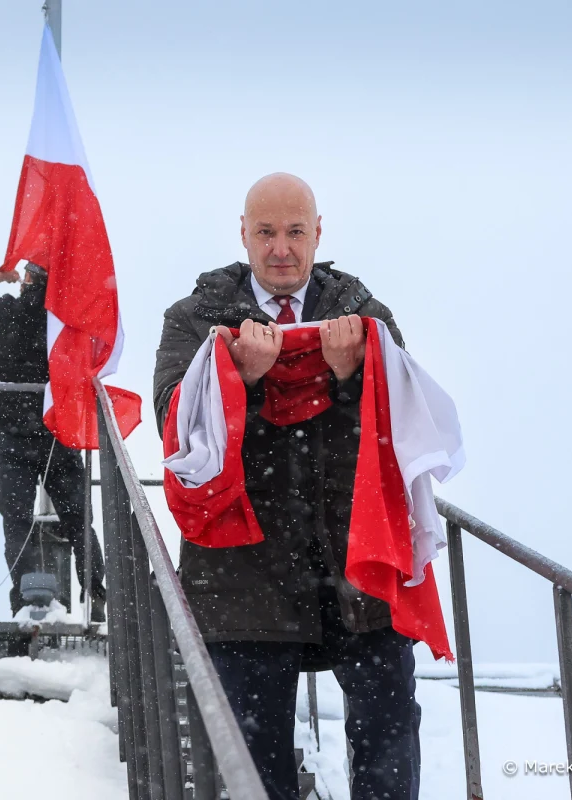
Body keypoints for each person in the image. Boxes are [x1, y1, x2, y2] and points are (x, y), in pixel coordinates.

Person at [153, 174, 419, 800]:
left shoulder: (366, 315)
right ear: (242, 235)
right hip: (242, 574)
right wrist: (236, 382)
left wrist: (353, 377)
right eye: (266, 232)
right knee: (252, 759)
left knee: (388, 736)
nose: (281, 248)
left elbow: (406, 421)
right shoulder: (193, 319)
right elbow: (173, 424)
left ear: (317, 235)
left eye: (295, 232)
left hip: (357, 567)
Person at [0, 263, 107, 622]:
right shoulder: (66, 321)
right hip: (60, 435)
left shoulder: (7, 312)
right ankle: (96, 592)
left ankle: (27, 600)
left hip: (13, 436)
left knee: (17, 522)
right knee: (79, 520)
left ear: (31, 280)